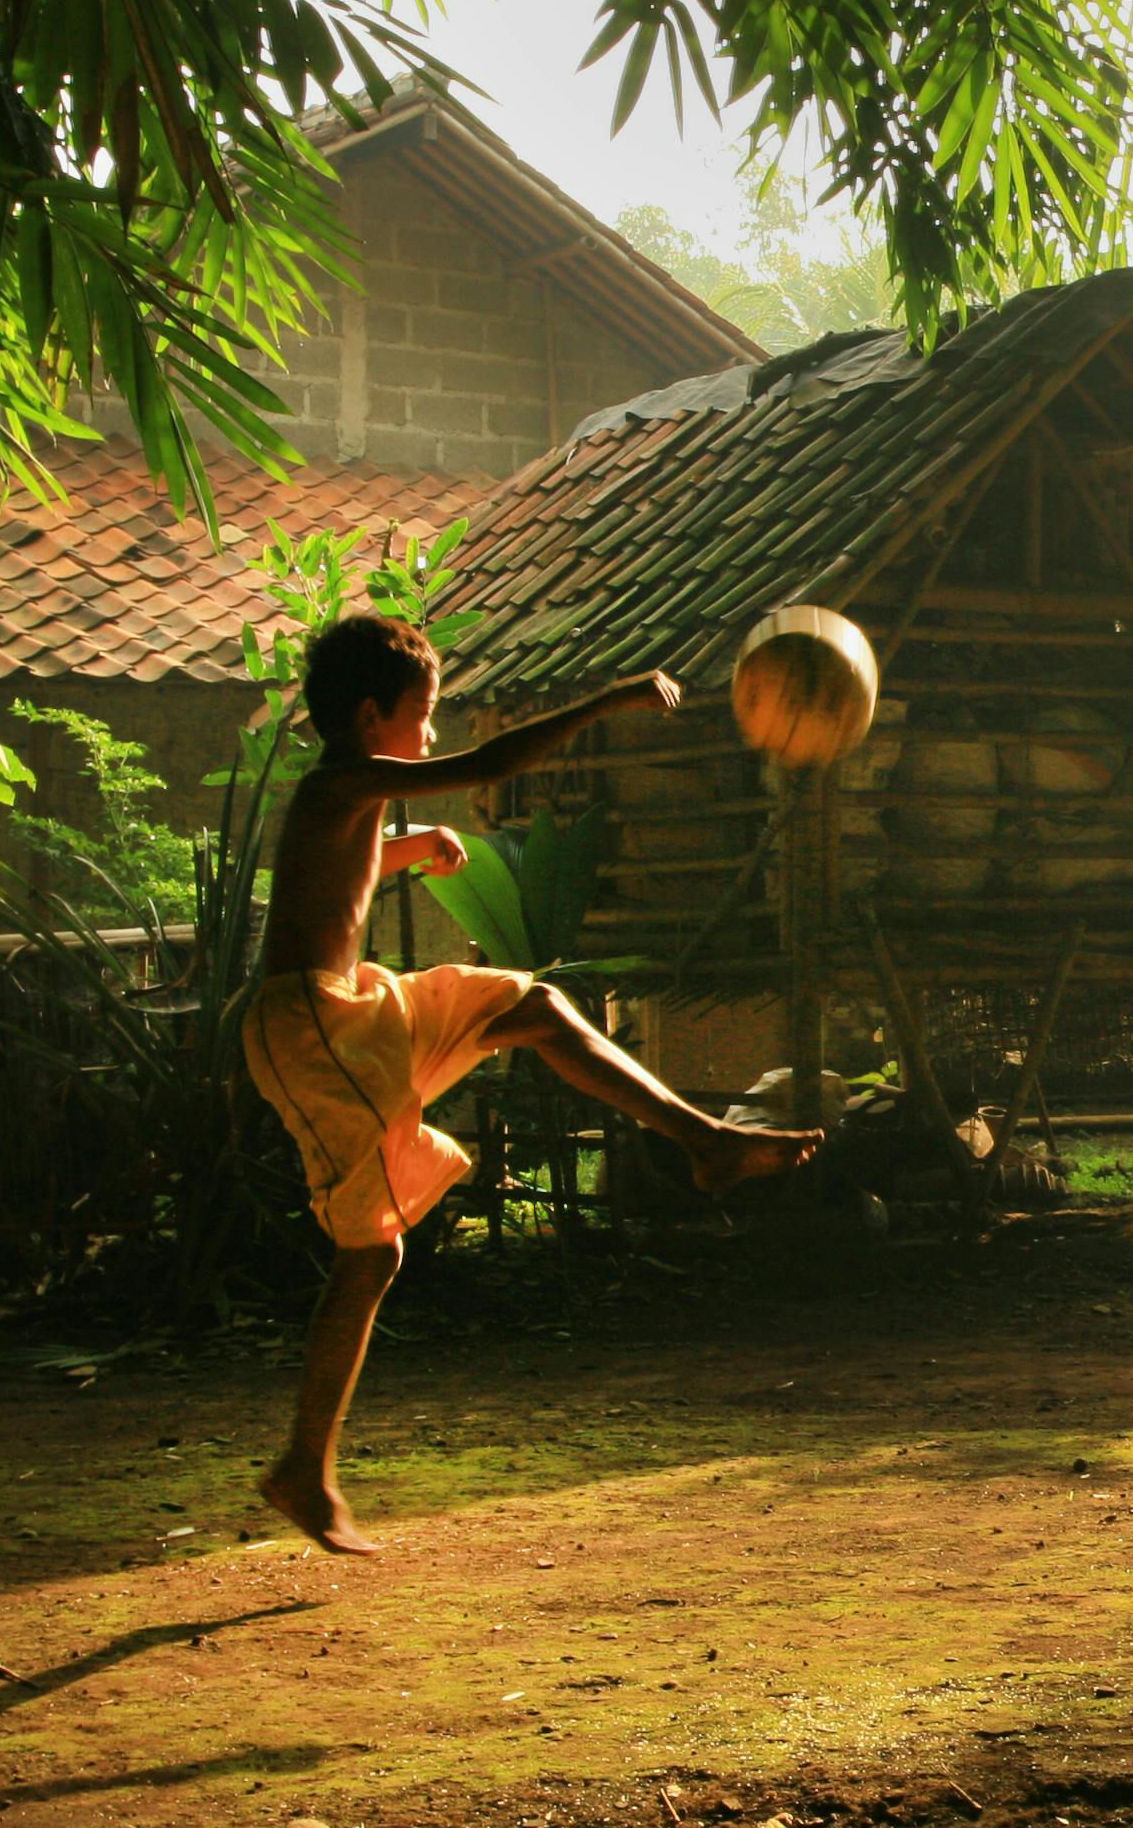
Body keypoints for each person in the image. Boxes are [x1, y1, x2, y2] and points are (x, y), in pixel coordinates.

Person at [244, 614, 821, 1552]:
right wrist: (614, 698)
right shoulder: (346, 778)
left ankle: (703, 1141)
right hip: (315, 1029)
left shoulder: (343, 796)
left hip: (352, 1012)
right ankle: (303, 1469)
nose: (429, 736)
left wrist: (406, 847)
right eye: (422, 718)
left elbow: (327, 881)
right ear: (368, 716)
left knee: (537, 1007)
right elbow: (492, 767)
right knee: (373, 1255)